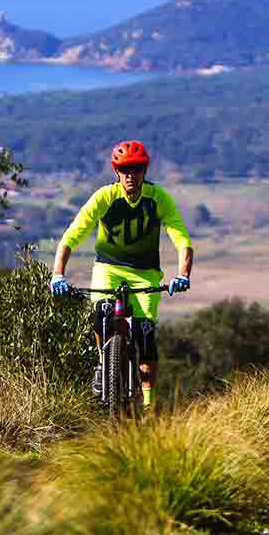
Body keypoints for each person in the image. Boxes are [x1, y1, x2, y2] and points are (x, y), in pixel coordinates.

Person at [49, 139, 193, 410]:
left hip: (146, 273)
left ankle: (149, 406)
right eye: (125, 169)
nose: (131, 175)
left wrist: (183, 274)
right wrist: (58, 274)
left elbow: (181, 239)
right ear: (116, 172)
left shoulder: (158, 198)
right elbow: (72, 236)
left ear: (145, 170)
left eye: (137, 169)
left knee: (145, 333)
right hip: (108, 268)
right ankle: (105, 367)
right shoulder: (104, 197)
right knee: (103, 315)